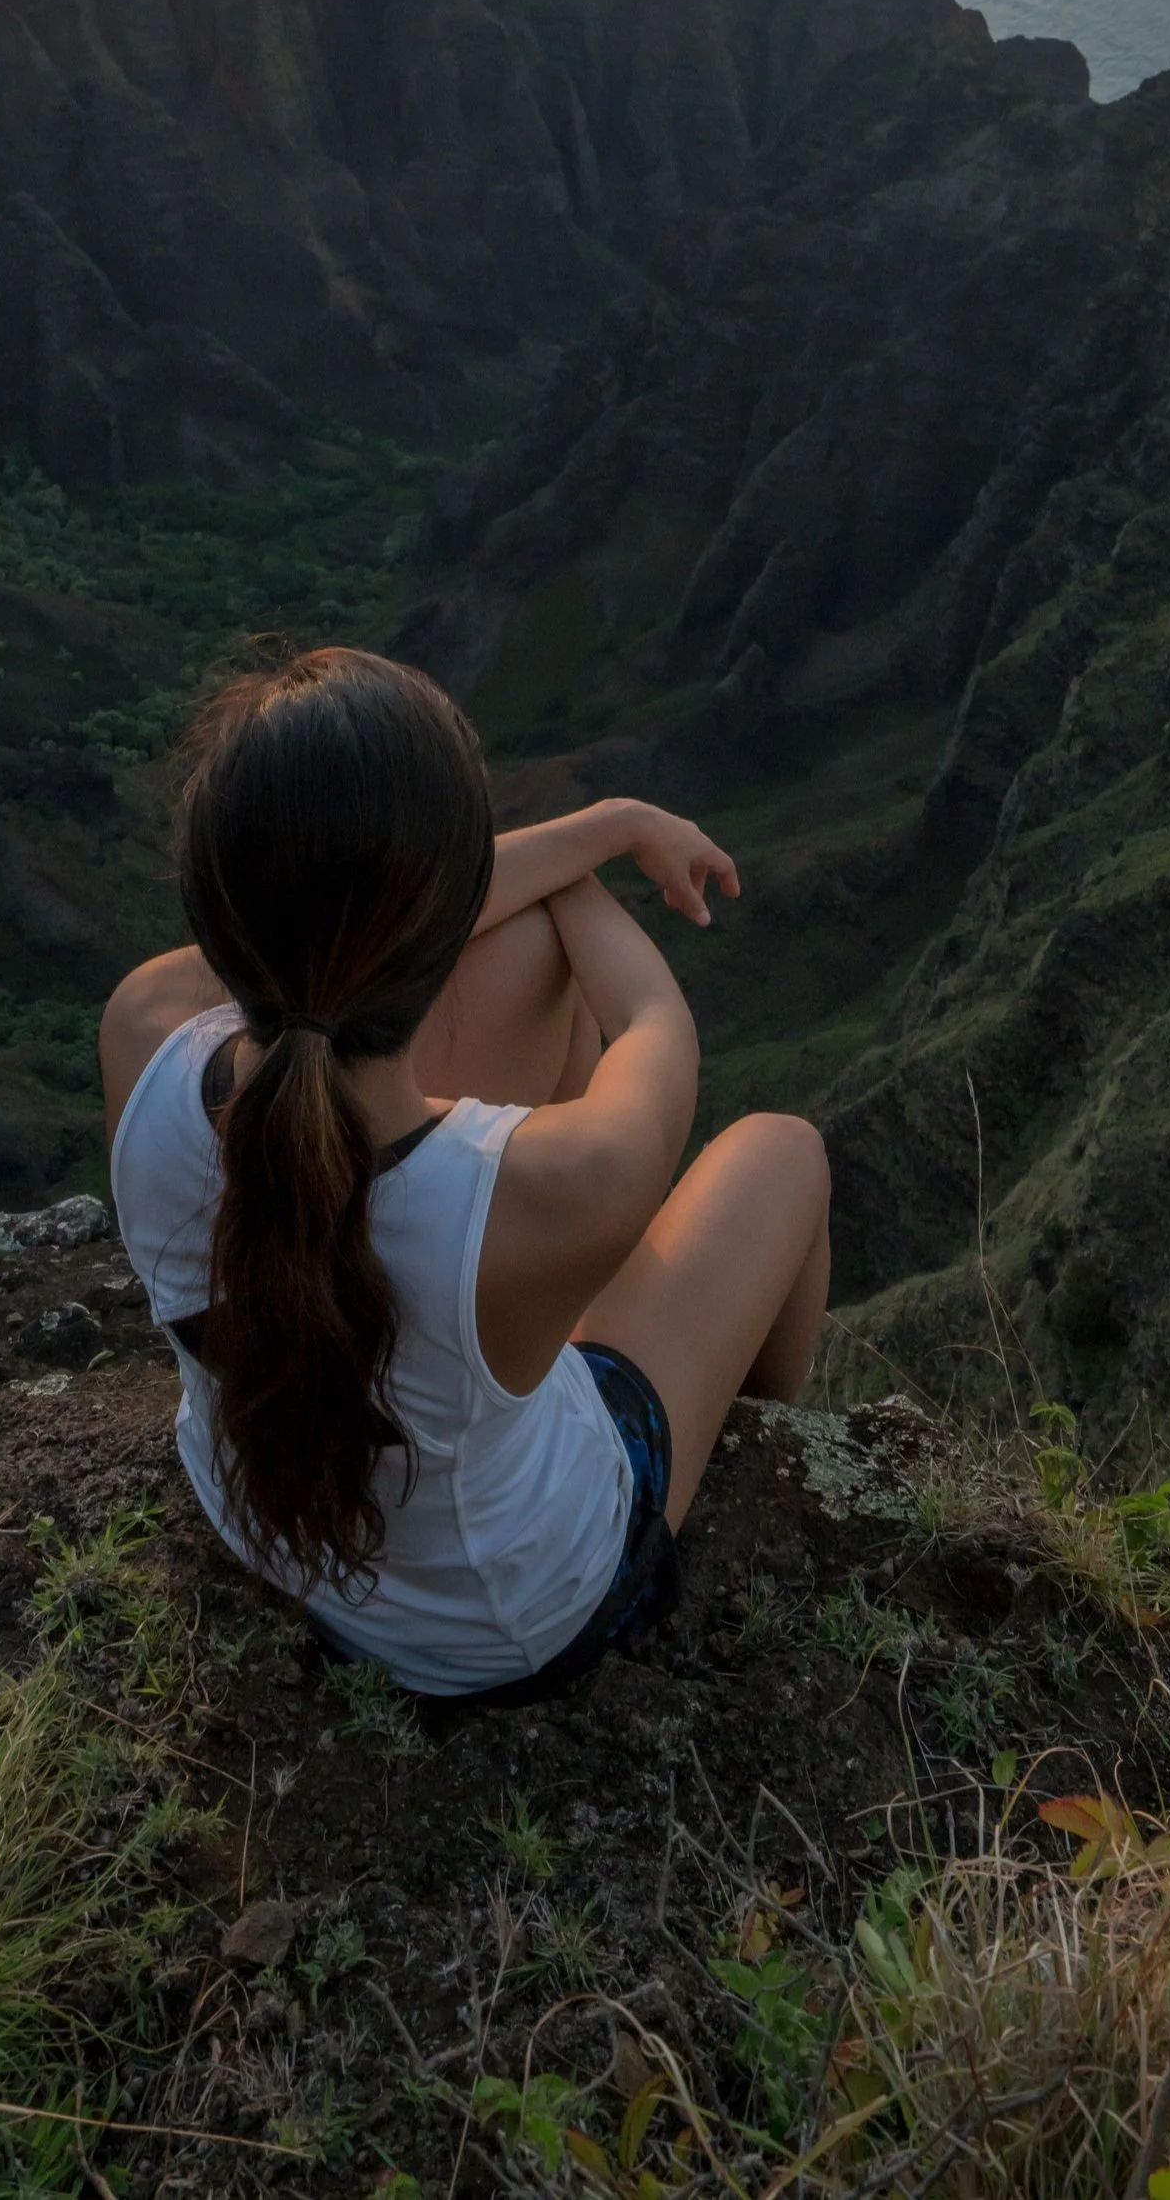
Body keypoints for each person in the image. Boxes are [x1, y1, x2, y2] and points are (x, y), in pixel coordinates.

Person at [99, 645, 831, 1698]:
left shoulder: (142, 1029)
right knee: (784, 1149)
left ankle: (509, 1350)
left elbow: (340, 944)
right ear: (444, 912)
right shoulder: (559, 1186)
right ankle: (751, 1440)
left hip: (259, 1531)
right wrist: (582, 878)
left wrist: (605, 824)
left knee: (525, 955)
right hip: (504, 1623)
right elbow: (651, 1018)